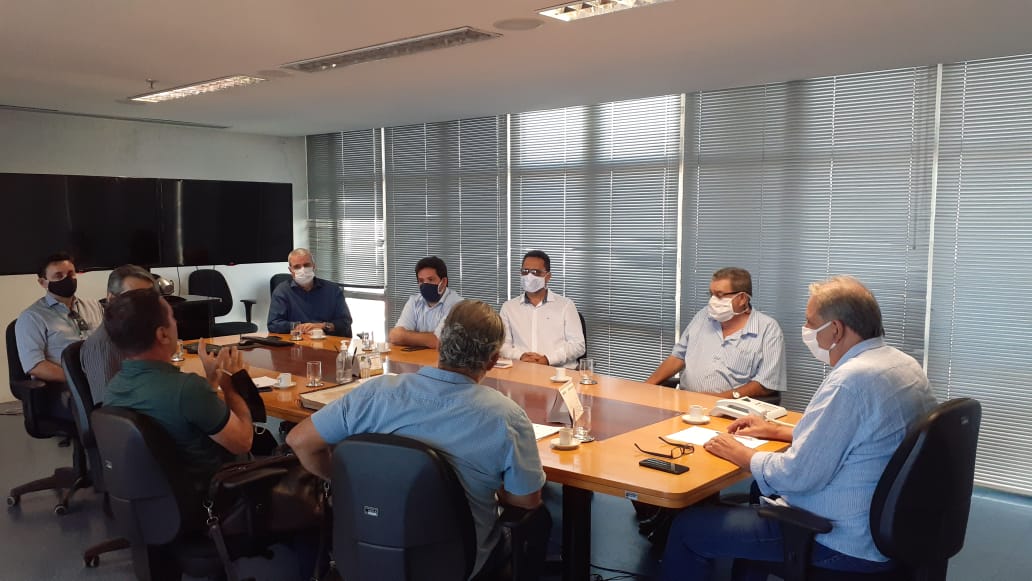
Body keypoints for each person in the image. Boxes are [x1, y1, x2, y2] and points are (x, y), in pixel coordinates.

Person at [659, 276, 937, 579]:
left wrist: (743, 455)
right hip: (889, 532)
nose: (806, 329)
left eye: (811, 323)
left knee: (687, 529)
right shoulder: (902, 364)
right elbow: (863, 435)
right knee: (756, 493)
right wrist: (780, 431)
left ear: (835, 329)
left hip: (834, 538)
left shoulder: (851, 381)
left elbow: (797, 476)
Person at [287, 299, 548, 578]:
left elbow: (300, 441)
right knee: (540, 520)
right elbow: (526, 502)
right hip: (458, 565)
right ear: (494, 360)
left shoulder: (375, 393)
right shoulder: (506, 418)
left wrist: (346, 483)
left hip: (365, 550)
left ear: (440, 345)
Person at [103, 289, 253, 483]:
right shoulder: (187, 389)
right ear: (163, 334)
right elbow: (243, 442)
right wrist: (229, 385)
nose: (176, 323)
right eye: (173, 318)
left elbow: (182, 416)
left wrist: (211, 382)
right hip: (217, 489)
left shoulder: (113, 388)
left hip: (158, 493)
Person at [645, 267, 786, 400]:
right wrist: (646, 386)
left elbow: (766, 384)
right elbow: (678, 357)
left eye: (719, 295)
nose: (712, 301)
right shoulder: (703, 316)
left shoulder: (768, 329)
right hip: (686, 402)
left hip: (732, 408)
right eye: (711, 294)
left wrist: (718, 399)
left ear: (742, 298)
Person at [15, 252, 103, 383]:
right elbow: (35, 366)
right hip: (67, 385)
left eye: (71, 274)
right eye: (58, 276)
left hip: (106, 378)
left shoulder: (94, 306)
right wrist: (80, 381)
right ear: (43, 282)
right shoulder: (32, 317)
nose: (67, 279)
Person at [80, 265, 159, 404]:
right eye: (134, 298)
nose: (145, 306)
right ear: (112, 299)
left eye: (149, 298)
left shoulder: (138, 333)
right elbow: (109, 408)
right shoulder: (102, 345)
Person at [499, 250, 585, 368]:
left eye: (536, 272)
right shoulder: (508, 307)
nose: (529, 276)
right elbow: (502, 346)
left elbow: (578, 345)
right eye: (525, 271)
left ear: (547, 276)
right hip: (521, 369)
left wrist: (548, 359)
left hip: (559, 372)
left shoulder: (566, 306)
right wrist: (521, 356)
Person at [268, 248, 352, 337]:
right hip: (296, 341)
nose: (303, 270)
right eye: (297, 267)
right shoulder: (282, 291)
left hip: (327, 341)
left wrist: (322, 326)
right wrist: (299, 327)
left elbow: (345, 322)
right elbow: (273, 324)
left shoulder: (333, 290)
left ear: (314, 266)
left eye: (306, 265)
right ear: (290, 270)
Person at [387, 256, 463, 349]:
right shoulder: (414, 301)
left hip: (443, 358)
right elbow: (395, 336)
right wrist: (428, 339)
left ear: (443, 282)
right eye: (421, 281)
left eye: (430, 279)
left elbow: (438, 341)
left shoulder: (457, 304)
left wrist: (407, 336)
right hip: (417, 357)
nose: (425, 284)